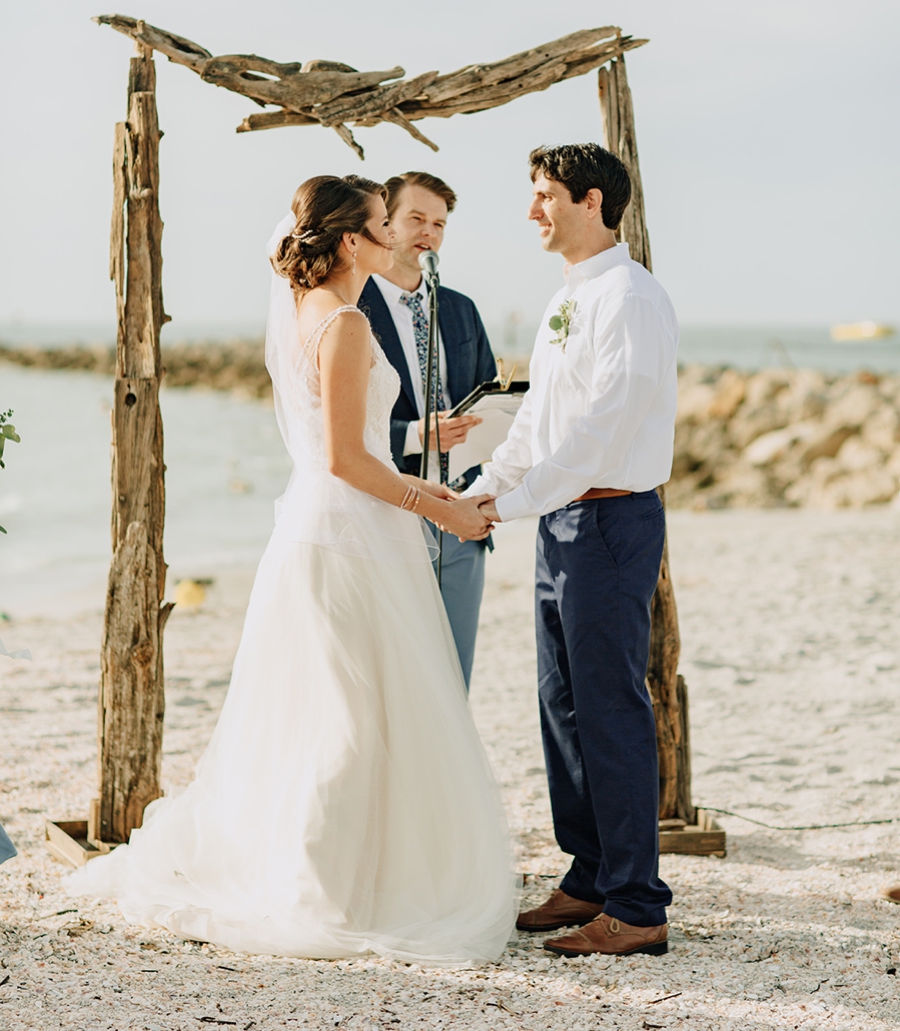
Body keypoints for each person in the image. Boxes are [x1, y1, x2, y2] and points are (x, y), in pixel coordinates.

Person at [69, 174, 516, 964]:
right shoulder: (343, 324)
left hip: (345, 531)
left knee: (342, 712)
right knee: (349, 719)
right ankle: (320, 889)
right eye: (384, 226)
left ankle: (351, 873)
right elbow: (349, 459)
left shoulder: (322, 312)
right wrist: (439, 504)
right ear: (351, 242)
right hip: (346, 536)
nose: (397, 239)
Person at [466, 143, 679, 959]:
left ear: (592, 201)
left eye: (545, 194)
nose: (533, 210)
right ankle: (589, 874)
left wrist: (511, 505)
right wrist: (484, 489)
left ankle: (636, 902)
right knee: (562, 706)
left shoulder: (630, 297)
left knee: (611, 707)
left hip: (611, 522)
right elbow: (537, 422)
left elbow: (601, 434)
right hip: (561, 523)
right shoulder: (570, 296)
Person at [359, 171, 497, 689]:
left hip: (461, 512)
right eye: (416, 218)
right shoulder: (353, 307)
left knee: (453, 673)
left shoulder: (462, 310)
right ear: (385, 222)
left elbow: (486, 394)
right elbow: (337, 427)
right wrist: (417, 435)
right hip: (386, 509)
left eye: (439, 224)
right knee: (394, 676)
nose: (429, 233)